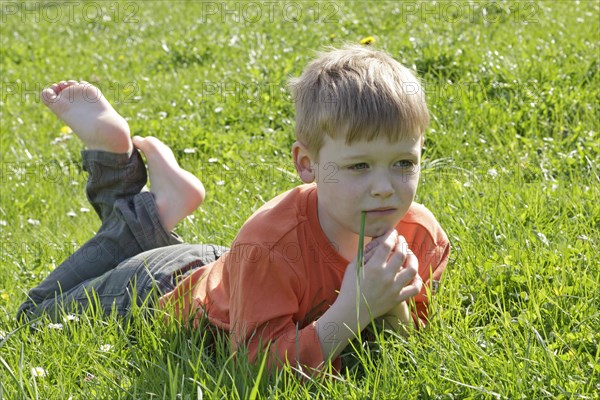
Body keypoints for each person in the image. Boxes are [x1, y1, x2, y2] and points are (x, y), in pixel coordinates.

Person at [17, 45, 450, 374]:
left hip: (233, 274)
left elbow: (400, 344)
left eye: (403, 163)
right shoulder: (271, 244)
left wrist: (392, 301)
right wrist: (352, 311)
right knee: (33, 317)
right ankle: (123, 171)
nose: (384, 188)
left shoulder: (421, 234)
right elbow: (258, 367)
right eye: (359, 166)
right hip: (156, 288)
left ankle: (160, 205)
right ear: (307, 164)